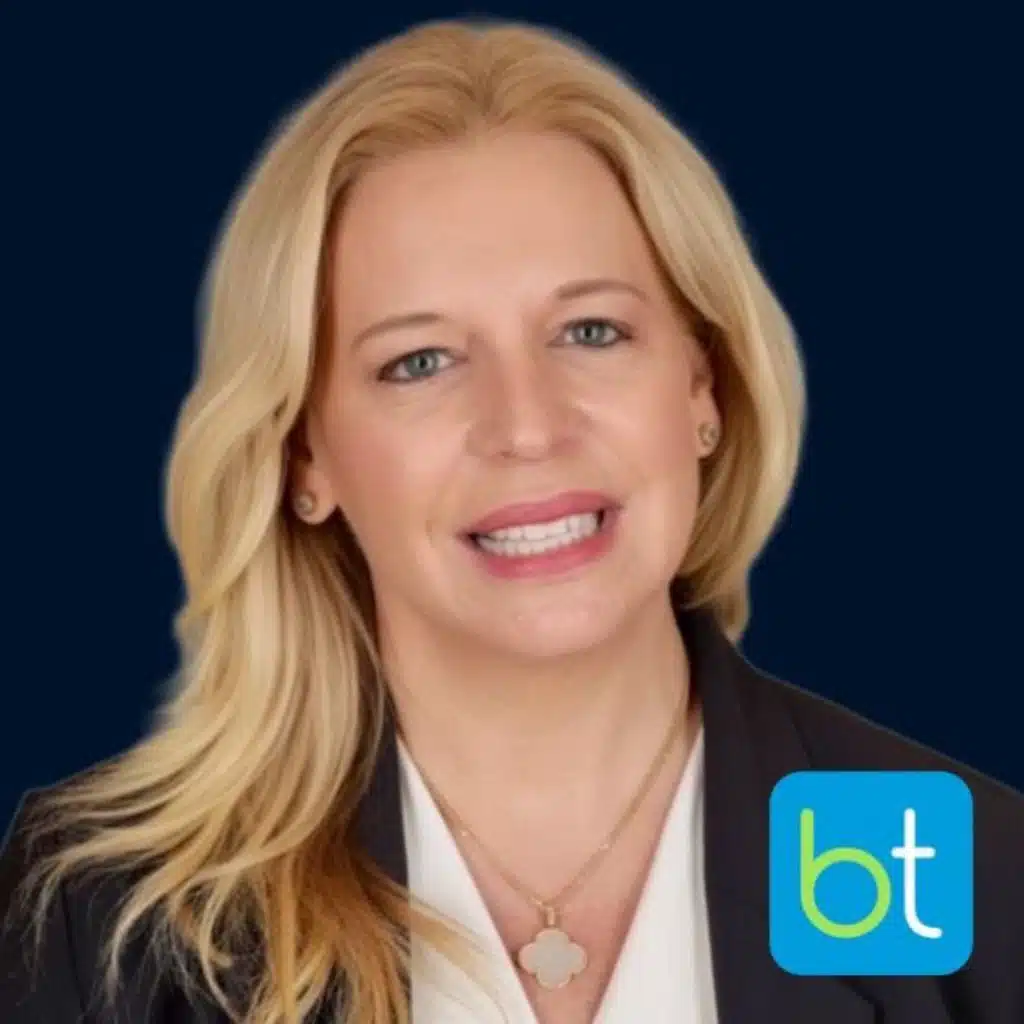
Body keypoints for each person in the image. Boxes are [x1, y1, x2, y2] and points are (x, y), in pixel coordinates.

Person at [1, 17, 1022, 1024]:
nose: (527, 426)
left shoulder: (972, 873)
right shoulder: (99, 917)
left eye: (591, 330)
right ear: (304, 453)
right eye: (419, 361)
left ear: (701, 385)